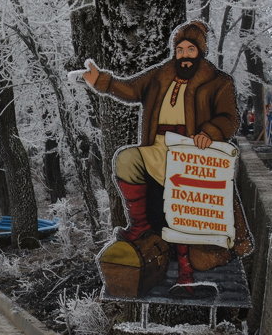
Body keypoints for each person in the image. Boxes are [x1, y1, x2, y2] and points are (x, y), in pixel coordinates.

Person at [82, 20, 239, 297]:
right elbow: (130, 89)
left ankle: (187, 274)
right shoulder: (160, 75)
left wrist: (209, 132)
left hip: (192, 154)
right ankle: (140, 227)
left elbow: (230, 119)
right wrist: (102, 81)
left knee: (181, 201)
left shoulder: (218, 82)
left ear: (200, 52)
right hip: (157, 148)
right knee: (126, 159)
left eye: (191, 49)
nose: (185, 54)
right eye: (180, 49)